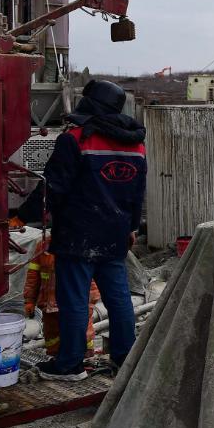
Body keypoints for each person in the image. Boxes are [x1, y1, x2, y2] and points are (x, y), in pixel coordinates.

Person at [39, 79, 146, 381]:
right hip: (116, 235)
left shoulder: (75, 139)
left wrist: (24, 217)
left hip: (77, 236)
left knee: (74, 300)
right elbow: (137, 192)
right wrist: (133, 226)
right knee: (119, 299)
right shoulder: (136, 144)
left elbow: (53, 189)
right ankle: (125, 359)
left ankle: (70, 364)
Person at [25, 235, 101, 357]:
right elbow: (33, 277)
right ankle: (56, 357)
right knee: (52, 334)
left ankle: (85, 355)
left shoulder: (83, 243)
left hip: (77, 304)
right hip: (49, 304)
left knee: (82, 330)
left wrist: (90, 301)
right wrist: (29, 300)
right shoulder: (43, 245)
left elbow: (92, 278)